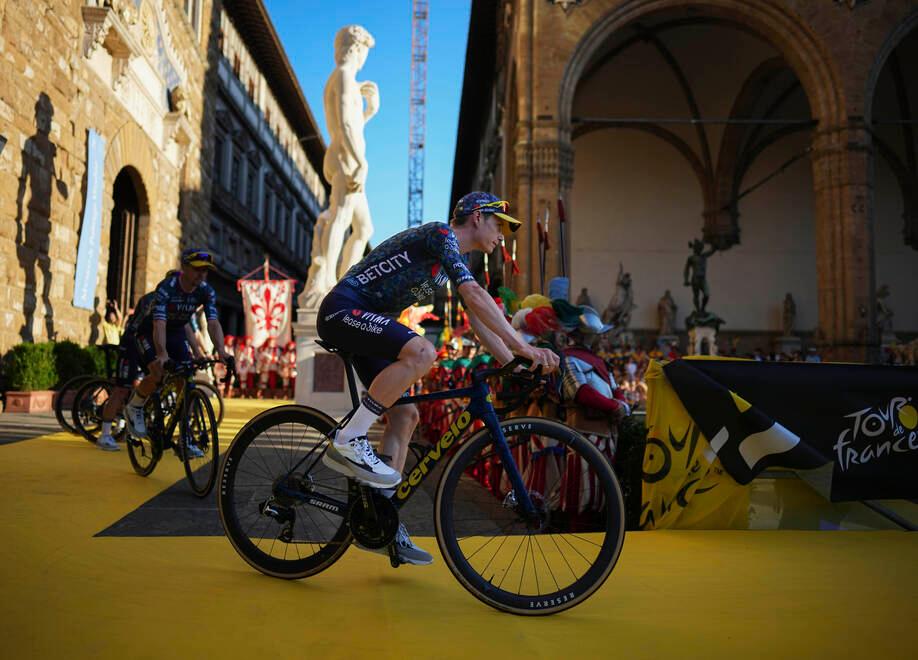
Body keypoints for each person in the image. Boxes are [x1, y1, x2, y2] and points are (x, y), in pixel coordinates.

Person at [316, 191, 560, 565]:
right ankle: (349, 437)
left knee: (406, 416)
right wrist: (525, 349)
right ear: (476, 217)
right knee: (422, 352)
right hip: (343, 309)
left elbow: (480, 323)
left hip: (367, 322)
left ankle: (382, 522)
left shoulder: (451, 262)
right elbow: (476, 296)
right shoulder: (440, 236)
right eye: (500, 225)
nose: (503, 236)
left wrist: (514, 362)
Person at [122, 249, 234, 454]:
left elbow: (212, 321)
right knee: (157, 370)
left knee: (187, 381)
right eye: (197, 269)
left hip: (175, 333)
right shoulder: (167, 287)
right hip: (148, 332)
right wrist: (162, 353)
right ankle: (135, 406)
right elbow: (159, 324)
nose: (201, 275)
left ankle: (185, 437)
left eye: (206, 271)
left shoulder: (206, 291)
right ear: (184, 268)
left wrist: (221, 351)